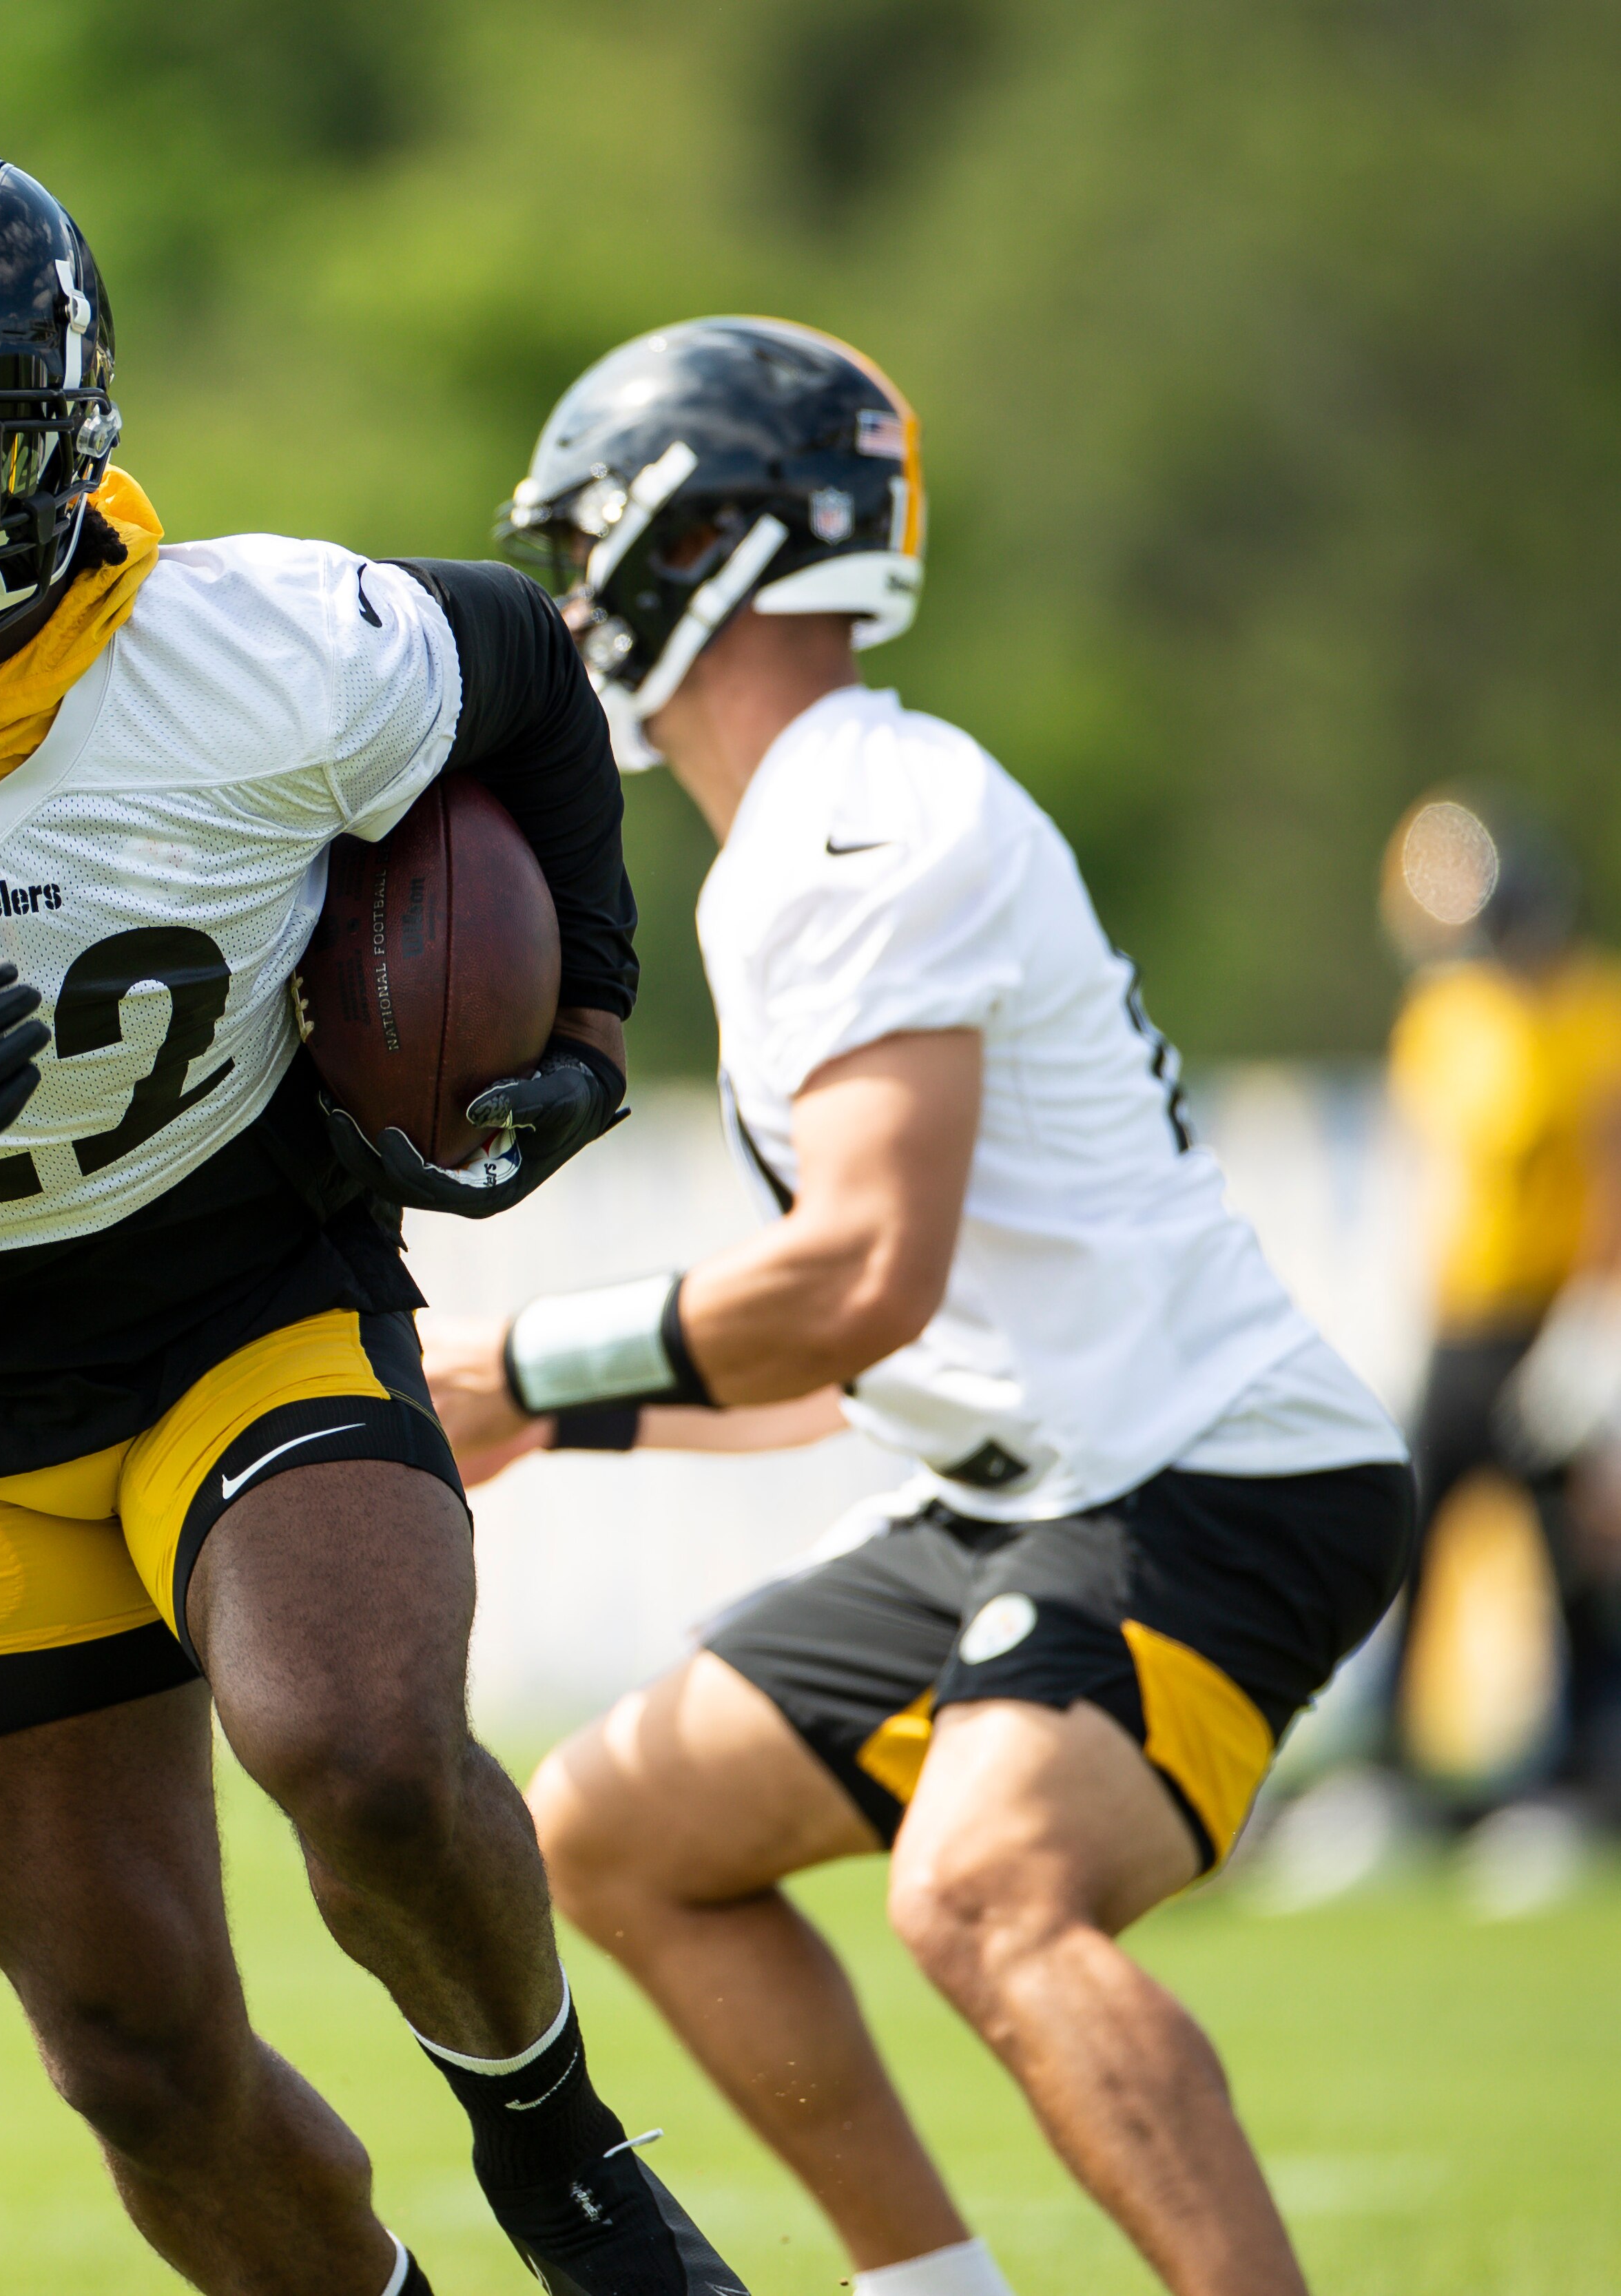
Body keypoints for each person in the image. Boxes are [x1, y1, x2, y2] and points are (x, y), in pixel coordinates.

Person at [0, 141, 739, 2296]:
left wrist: (584, 1010)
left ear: (66, 435)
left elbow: (530, 671)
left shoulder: (274, 648)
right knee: (129, 2046)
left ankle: (558, 2146)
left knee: (360, 1753)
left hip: (232, 1280)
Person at [426, 319, 1415, 2296]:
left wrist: (526, 1363)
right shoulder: (808, 831)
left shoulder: (861, 819)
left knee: (981, 1889)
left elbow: (857, 1274)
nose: (574, 600)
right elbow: (836, 1364)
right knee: (611, 1830)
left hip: (1208, 1472)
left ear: (703, 539)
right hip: (1035, 1486)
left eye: (592, 544)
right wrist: (545, 1411)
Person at [1262, 792, 1621, 1907]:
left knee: (1573, 1557)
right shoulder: (1447, 1017)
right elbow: (1428, 1176)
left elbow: (1606, 1171)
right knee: (1408, 1533)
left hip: (1557, 1323)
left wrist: (1596, 1322)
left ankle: (1584, 1774)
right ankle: (1392, 1767)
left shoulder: (1592, 1010)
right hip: (1462, 1325)